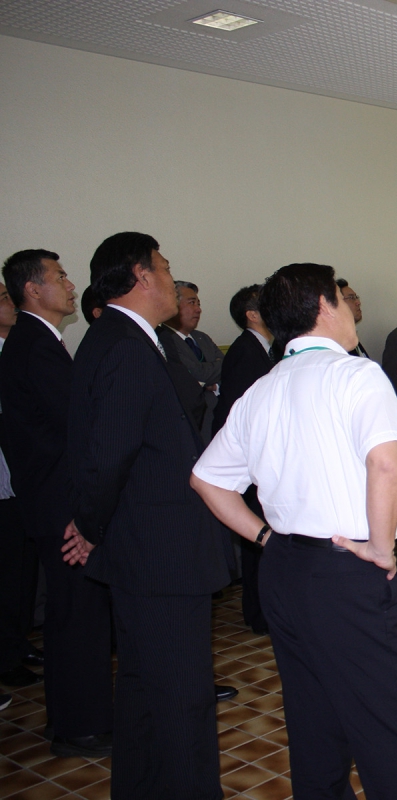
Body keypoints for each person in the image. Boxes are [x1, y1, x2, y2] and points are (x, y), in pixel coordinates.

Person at [191, 263, 397, 800]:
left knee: (314, 724)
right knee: (387, 729)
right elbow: (386, 463)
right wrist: (380, 546)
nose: (352, 312)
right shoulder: (355, 375)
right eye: (345, 300)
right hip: (347, 571)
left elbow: (207, 480)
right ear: (324, 306)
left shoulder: (262, 389)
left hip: (284, 571)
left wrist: (265, 539)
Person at [65, 232, 232, 799]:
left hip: (147, 546)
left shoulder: (130, 338)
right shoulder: (124, 345)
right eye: (164, 268)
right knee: (181, 696)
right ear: (141, 275)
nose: (171, 279)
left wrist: (94, 527)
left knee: (143, 690)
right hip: (159, 551)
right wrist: (90, 528)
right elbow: (106, 453)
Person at [0, 250, 116, 758]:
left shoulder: (38, 340)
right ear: (32, 289)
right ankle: (81, 726)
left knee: (74, 613)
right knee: (77, 616)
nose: (70, 285)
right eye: (60, 276)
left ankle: (72, 717)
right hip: (60, 504)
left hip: (54, 499)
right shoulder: (34, 346)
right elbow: (74, 430)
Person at [211, 285, 275, 635]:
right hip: (250, 463)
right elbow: (240, 415)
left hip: (259, 461)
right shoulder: (245, 352)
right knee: (256, 539)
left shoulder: (264, 349)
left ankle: (264, 609)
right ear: (252, 315)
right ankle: (260, 613)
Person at [0, 277, 43, 696]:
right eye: (2, 298)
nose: (10, 303)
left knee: (23, 571)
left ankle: (18, 640)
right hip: (5, 477)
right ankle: (6, 655)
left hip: (22, 481)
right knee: (7, 571)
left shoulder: (17, 346)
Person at [158, 280, 223, 442]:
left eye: (198, 304)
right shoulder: (163, 339)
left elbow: (227, 366)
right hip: (191, 423)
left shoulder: (202, 338)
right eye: (192, 303)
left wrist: (211, 382)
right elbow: (197, 373)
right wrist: (211, 369)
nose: (198, 309)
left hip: (219, 416)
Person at [336, 278, 369, 357]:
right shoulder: (337, 343)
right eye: (351, 298)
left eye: (356, 297)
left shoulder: (353, 338)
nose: (358, 302)